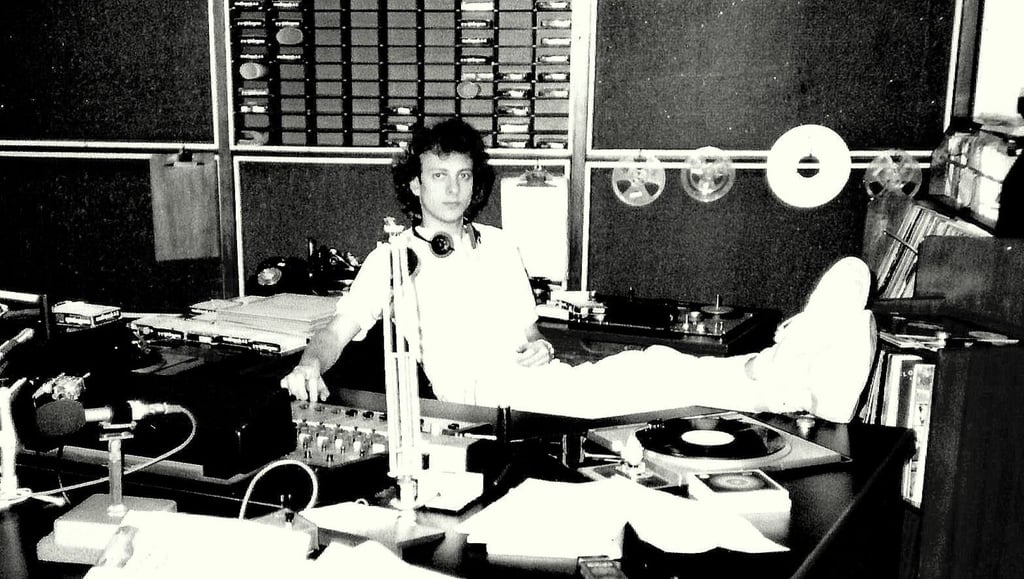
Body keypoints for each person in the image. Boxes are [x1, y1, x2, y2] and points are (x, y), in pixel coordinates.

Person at [281, 117, 876, 424]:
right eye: (439, 176)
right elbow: (340, 326)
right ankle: (793, 379)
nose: (454, 188)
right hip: (483, 403)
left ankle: (793, 376)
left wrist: (537, 345)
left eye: (464, 175)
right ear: (415, 185)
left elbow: (527, 333)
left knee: (654, 366)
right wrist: (310, 363)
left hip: (532, 383)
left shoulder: (498, 245)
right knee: (648, 376)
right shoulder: (394, 257)